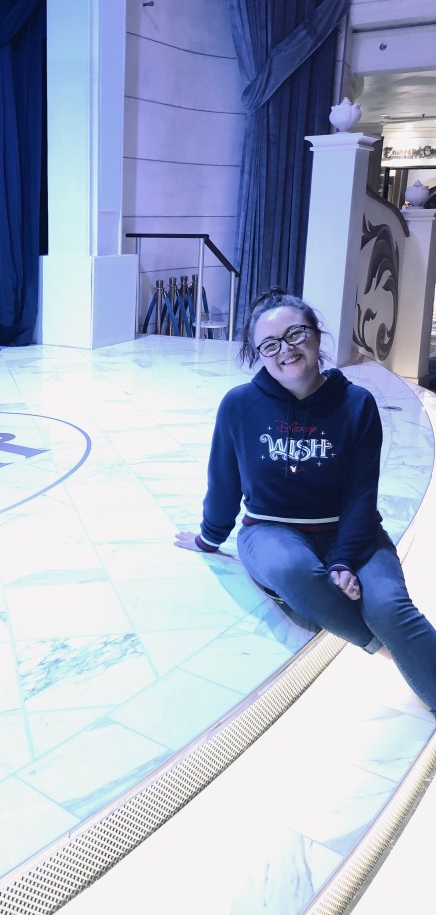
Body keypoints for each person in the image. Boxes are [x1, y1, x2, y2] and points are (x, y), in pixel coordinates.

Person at [175, 288, 436, 714]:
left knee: (390, 606)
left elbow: (360, 492)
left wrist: (345, 561)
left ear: (316, 336)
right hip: (271, 531)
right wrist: (209, 537)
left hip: (350, 530)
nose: (286, 350)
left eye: (296, 334)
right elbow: (223, 480)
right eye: (271, 344)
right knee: (293, 569)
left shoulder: (357, 404)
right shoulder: (239, 405)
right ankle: (382, 647)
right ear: (257, 353)